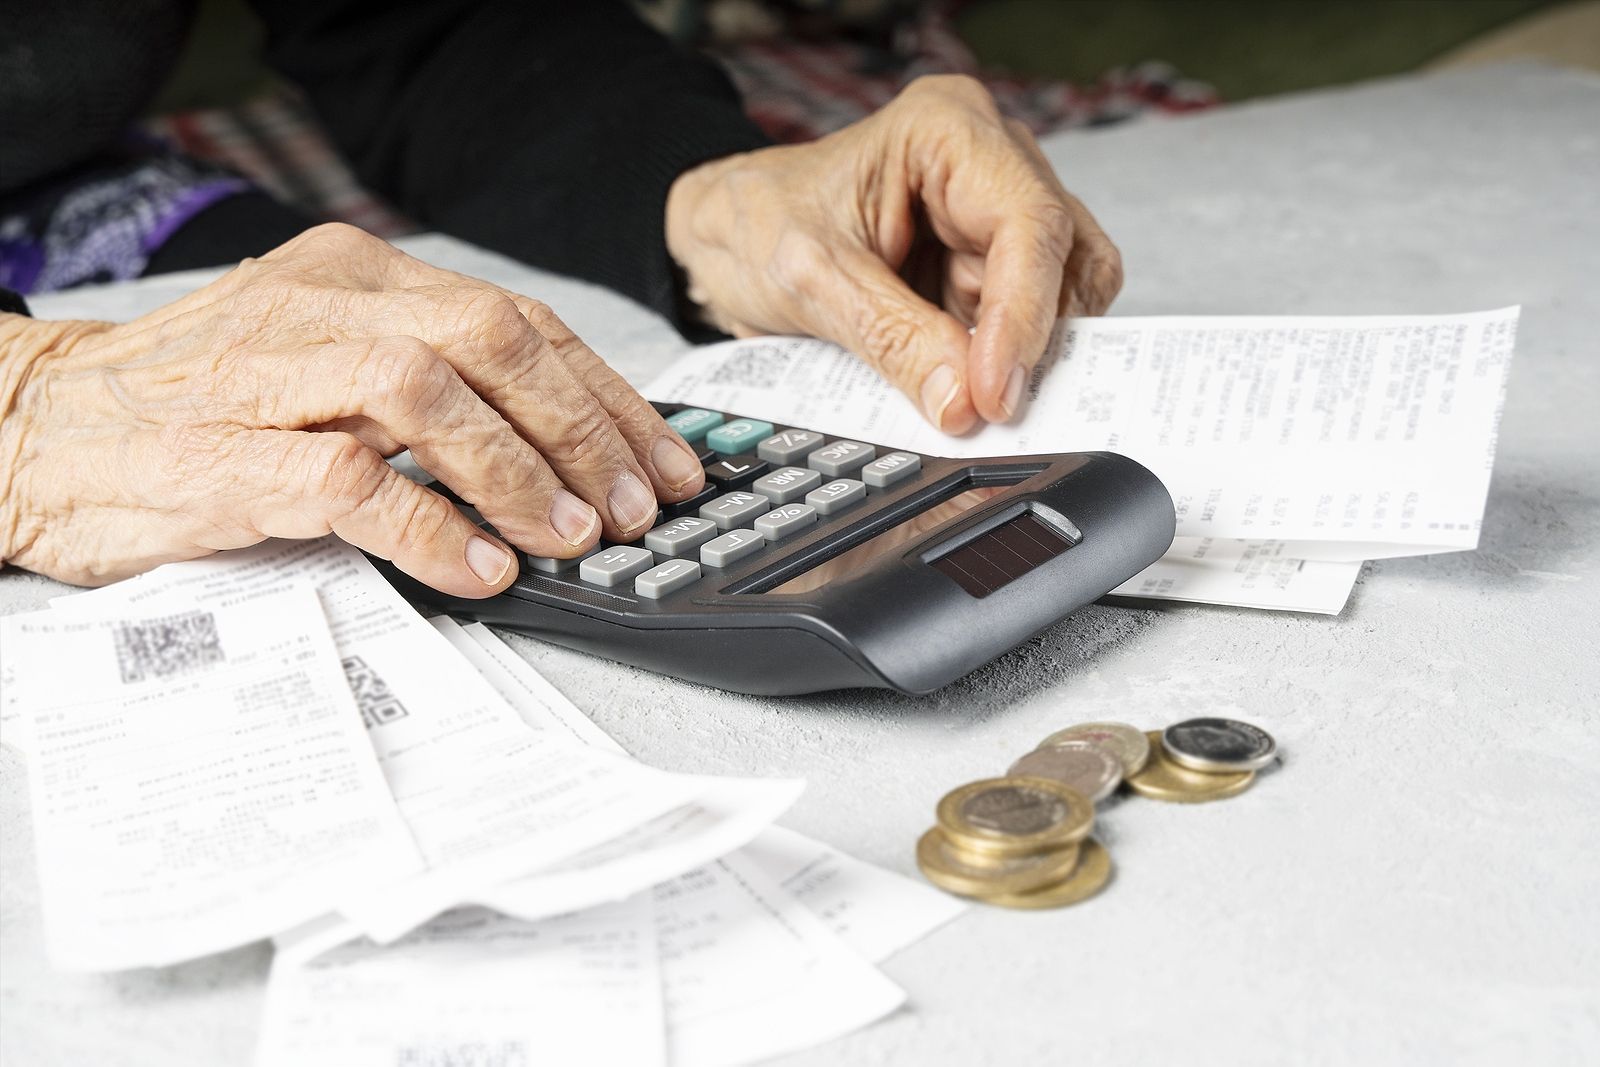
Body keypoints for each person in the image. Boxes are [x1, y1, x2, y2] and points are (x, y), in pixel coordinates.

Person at [0, 0, 1121, 599]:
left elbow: (422, 24)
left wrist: (702, 194)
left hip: (64, 185)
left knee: (397, 437)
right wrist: (20, 407)